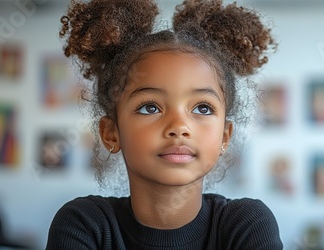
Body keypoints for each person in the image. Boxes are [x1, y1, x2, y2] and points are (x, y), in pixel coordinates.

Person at [46, 0, 282, 249]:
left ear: (224, 136)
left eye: (202, 108)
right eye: (150, 107)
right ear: (111, 133)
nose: (179, 126)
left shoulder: (247, 224)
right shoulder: (85, 224)